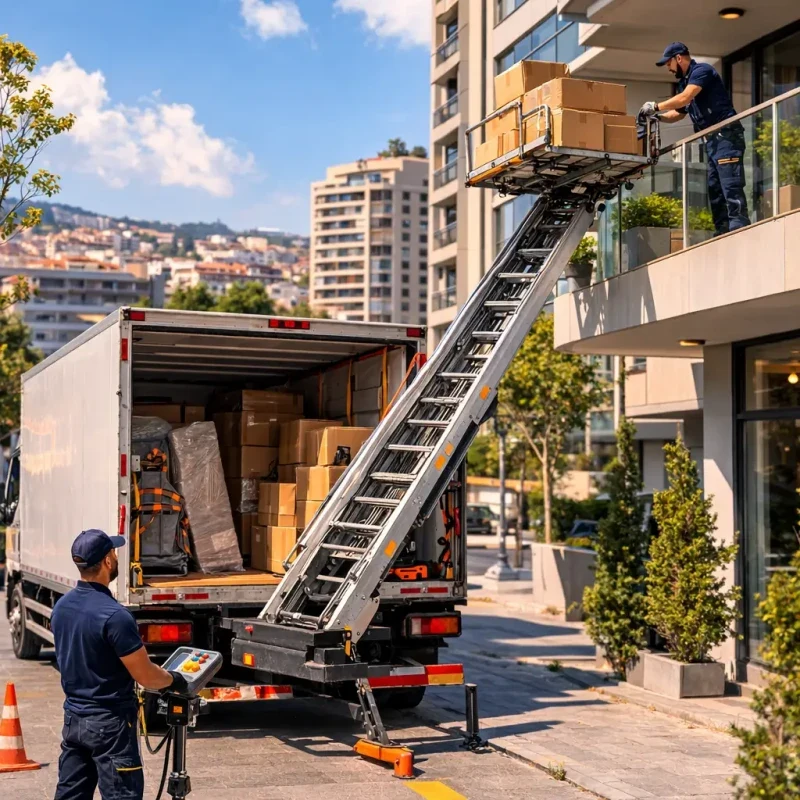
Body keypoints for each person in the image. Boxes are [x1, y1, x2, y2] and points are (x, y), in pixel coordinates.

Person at [51, 529, 188, 800]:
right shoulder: (115, 616)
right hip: (110, 726)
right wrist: (175, 680)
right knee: (121, 795)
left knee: (70, 795)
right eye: (113, 552)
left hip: (74, 720)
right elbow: (146, 676)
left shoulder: (62, 607)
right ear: (107, 562)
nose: (115, 555)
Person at [640, 42, 750, 236]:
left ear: (679, 58)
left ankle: (739, 228)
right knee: (715, 190)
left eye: (669, 63)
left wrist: (656, 106)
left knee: (730, 183)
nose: (668, 68)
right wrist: (657, 117)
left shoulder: (702, 71)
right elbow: (679, 113)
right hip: (712, 142)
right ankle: (723, 231)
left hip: (726, 136)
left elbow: (684, 98)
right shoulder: (685, 82)